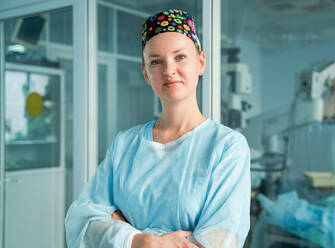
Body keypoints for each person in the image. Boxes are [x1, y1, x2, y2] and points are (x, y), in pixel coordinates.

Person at [65, 9, 251, 248]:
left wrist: (117, 228)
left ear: (201, 62)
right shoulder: (125, 144)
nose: (169, 70)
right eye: (156, 61)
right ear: (145, 73)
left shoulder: (227, 147)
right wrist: (140, 241)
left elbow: (219, 242)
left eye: (180, 57)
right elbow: (81, 223)